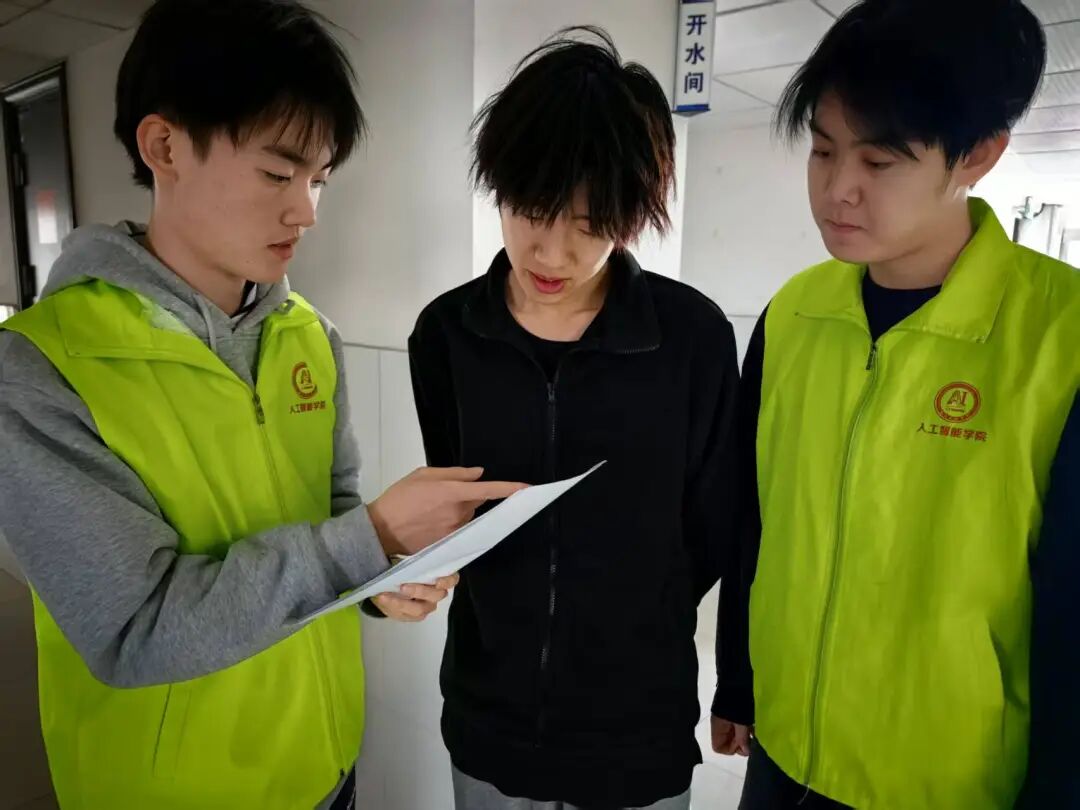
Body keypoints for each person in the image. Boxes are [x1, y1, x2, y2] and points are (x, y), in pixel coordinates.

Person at [0, 2, 524, 808]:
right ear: (164, 146)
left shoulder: (309, 336)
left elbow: (333, 511)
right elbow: (135, 627)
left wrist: (381, 577)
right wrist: (368, 540)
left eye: (319, 180)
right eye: (279, 174)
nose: (306, 211)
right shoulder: (41, 367)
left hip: (327, 765)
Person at [710, 0, 1079, 807]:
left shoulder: (1061, 338)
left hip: (946, 784)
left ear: (978, 154)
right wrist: (738, 680)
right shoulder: (794, 315)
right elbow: (757, 521)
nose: (837, 190)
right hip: (784, 756)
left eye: (879, 162)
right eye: (822, 150)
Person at [409, 28, 741, 810]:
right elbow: (458, 505)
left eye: (589, 223)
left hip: (637, 730)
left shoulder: (689, 338)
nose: (550, 252)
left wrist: (638, 608)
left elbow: (715, 527)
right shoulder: (447, 334)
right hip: (489, 720)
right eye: (530, 209)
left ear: (630, 217)